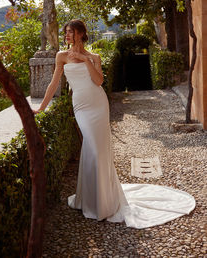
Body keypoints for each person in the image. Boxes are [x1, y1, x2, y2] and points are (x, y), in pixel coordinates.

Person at [33, 19, 195, 228]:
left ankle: (102, 202)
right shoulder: (61, 56)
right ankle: (91, 200)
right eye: (66, 33)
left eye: (70, 32)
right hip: (81, 107)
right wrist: (41, 108)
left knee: (99, 151)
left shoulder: (94, 57)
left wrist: (85, 59)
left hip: (98, 105)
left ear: (81, 34)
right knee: (91, 146)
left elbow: (98, 81)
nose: (67, 36)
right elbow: (53, 83)